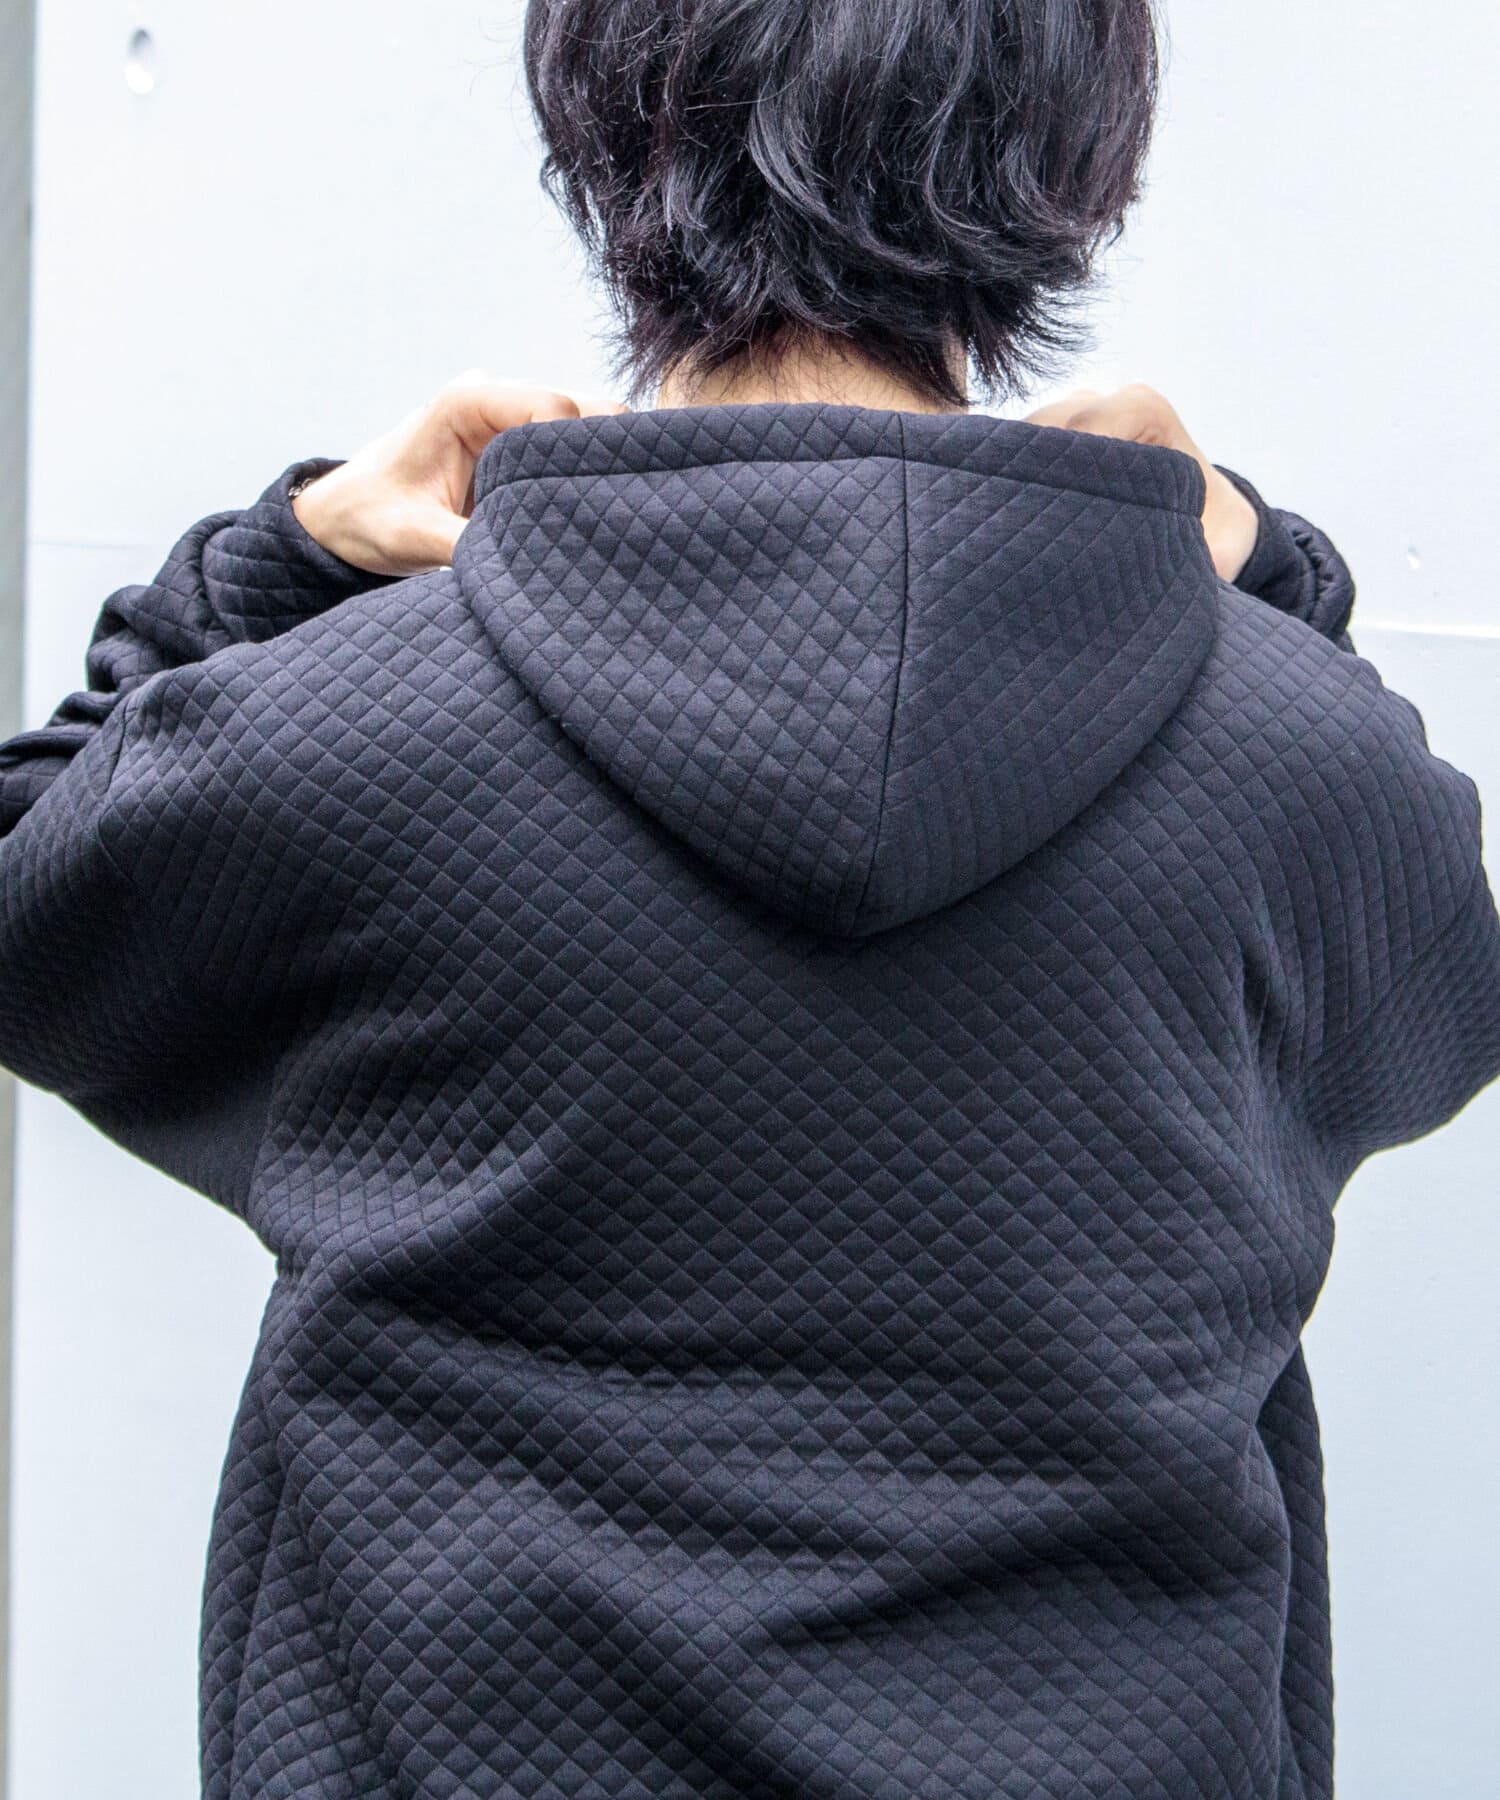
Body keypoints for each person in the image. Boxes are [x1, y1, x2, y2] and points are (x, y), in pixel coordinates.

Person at [2, 1, 1497, 1796]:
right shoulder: (1296, 776)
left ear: (609, 135)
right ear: (1072, 160)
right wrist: (1260, 575)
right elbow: (1433, 967)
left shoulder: (345, 736)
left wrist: (287, 554)